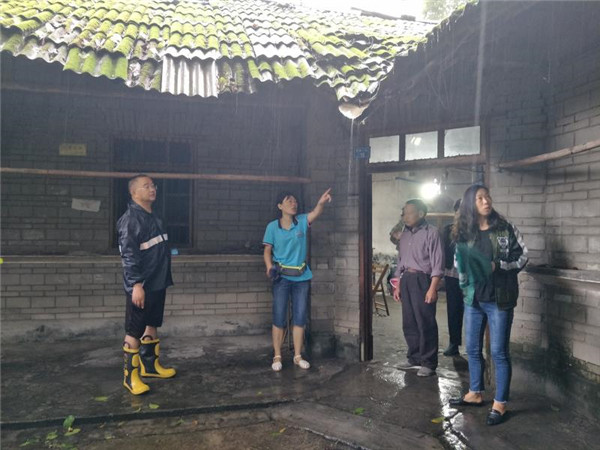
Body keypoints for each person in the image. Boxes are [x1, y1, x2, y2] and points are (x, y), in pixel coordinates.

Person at [448, 184, 528, 426]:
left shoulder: (505, 228)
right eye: (479, 198)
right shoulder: (465, 232)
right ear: (470, 205)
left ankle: (500, 403)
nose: (486, 201)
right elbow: (458, 262)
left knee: (499, 352)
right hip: (473, 299)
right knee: (472, 349)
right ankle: (475, 393)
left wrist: (497, 265)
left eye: (487, 196)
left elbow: (523, 256)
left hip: (499, 299)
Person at [117, 174, 176, 395]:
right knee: (134, 330)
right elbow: (129, 256)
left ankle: (150, 366)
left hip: (158, 281)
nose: (152, 189)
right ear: (134, 192)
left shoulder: (154, 216)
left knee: (152, 324)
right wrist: (136, 285)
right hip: (142, 285)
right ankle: (130, 378)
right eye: (146, 186)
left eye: (153, 185)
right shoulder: (130, 219)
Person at [263, 188, 332, 371]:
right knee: (279, 316)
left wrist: (321, 202)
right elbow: (267, 251)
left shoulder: (301, 221)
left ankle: (297, 356)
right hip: (281, 278)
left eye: (294, 201)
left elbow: (315, 213)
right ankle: (277, 355)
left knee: (300, 317)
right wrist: (269, 266)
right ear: (280, 206)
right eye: (289, 201)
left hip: (301, 277)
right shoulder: (272, 227)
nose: (293, 204)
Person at [393, 199, 444, 377]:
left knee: (425, 322)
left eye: (409, 213)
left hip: (423, 280)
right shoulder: (404, 234)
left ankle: (428, 362)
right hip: (406, 279)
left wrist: (432, 288)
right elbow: (400, 262)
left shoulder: (432, 233)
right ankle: (414, 357)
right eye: (404, 213)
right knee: (409, 321)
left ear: (421, 214)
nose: (405, 216)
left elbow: (438, 263)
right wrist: (398, 285)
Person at [442, 199, 463, 357]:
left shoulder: (479, 229)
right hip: (452, 275)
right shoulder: (448, 230)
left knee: (474, 311)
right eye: (459, 210)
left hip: (472, 277)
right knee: (453, 310)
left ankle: (476, 347)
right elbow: (442, 252)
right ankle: (454, 343)